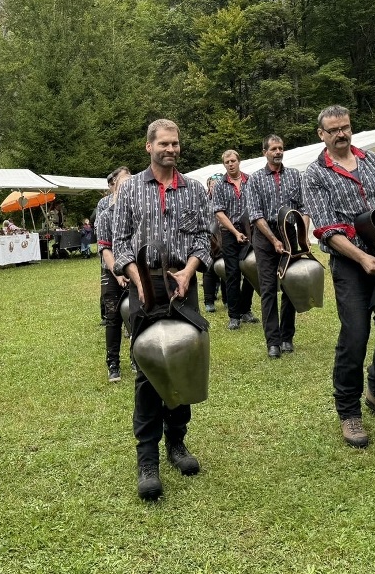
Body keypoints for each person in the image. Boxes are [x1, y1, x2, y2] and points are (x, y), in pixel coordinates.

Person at [303, 105, 375, 449]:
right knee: (355, 335)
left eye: (346, 127)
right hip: (351, 263)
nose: (341, 134)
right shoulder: (315, 174)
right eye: (334, 129)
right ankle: (348, 412)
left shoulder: (374, 161)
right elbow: (325, 228)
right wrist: (362, 257)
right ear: (321, 134)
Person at [111, 118, 210, 502]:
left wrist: (188, 271)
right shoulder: (131, 189)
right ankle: (147, 458)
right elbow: (120, 244)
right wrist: (138, 281)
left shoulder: (195, 189)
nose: (171, 149)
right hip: (144, 288)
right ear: (148, 146)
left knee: (183, 360)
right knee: (149, 370)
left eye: (176, 144)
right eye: (164, 143)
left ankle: (178, 444)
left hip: (183, 287)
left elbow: (204, 237)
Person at [244, 135, 305, 359]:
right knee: (268, 288)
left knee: (290, 286)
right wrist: (274, 240)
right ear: (265, 152)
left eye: (281, 148)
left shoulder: (294, 176)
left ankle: (287, 336)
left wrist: (302, 236)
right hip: (264, 235)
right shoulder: (256, 179)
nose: (278, 152)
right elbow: (255, 214)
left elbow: (302, 207)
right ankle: (273, 341)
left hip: (289, 232)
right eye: (273, 149)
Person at [211, 150, 258, 331]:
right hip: (229, 233)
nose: (230, 164)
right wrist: (235, 232)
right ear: (224, 164)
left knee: (250, 271)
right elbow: (218, 212)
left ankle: (246, 309)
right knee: (232, 274)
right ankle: (234, 315)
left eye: (233, 161)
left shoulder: (251, 180)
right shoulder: (220, 185)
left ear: (239, 161)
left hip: (251, 231)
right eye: (227, 162)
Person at [95, 169, 131, 382]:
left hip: (135, 271)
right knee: (113, 316)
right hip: (112, 270)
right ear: (115, 187)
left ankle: (138, 359)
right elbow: (105, 247)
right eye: (122, 185)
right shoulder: (107, 214)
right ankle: (113, 364)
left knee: (137, 316)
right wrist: (118, 273)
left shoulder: (140, 213)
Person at [202, 175, 222, 314]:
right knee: (209, 270)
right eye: (212, 184)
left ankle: (227, 299)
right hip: (209, 239)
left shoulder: (226, 198)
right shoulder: (204, 201)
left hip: (225, 239)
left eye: (217, 184)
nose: (214, 187)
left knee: (226, 269)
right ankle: (209, 301)